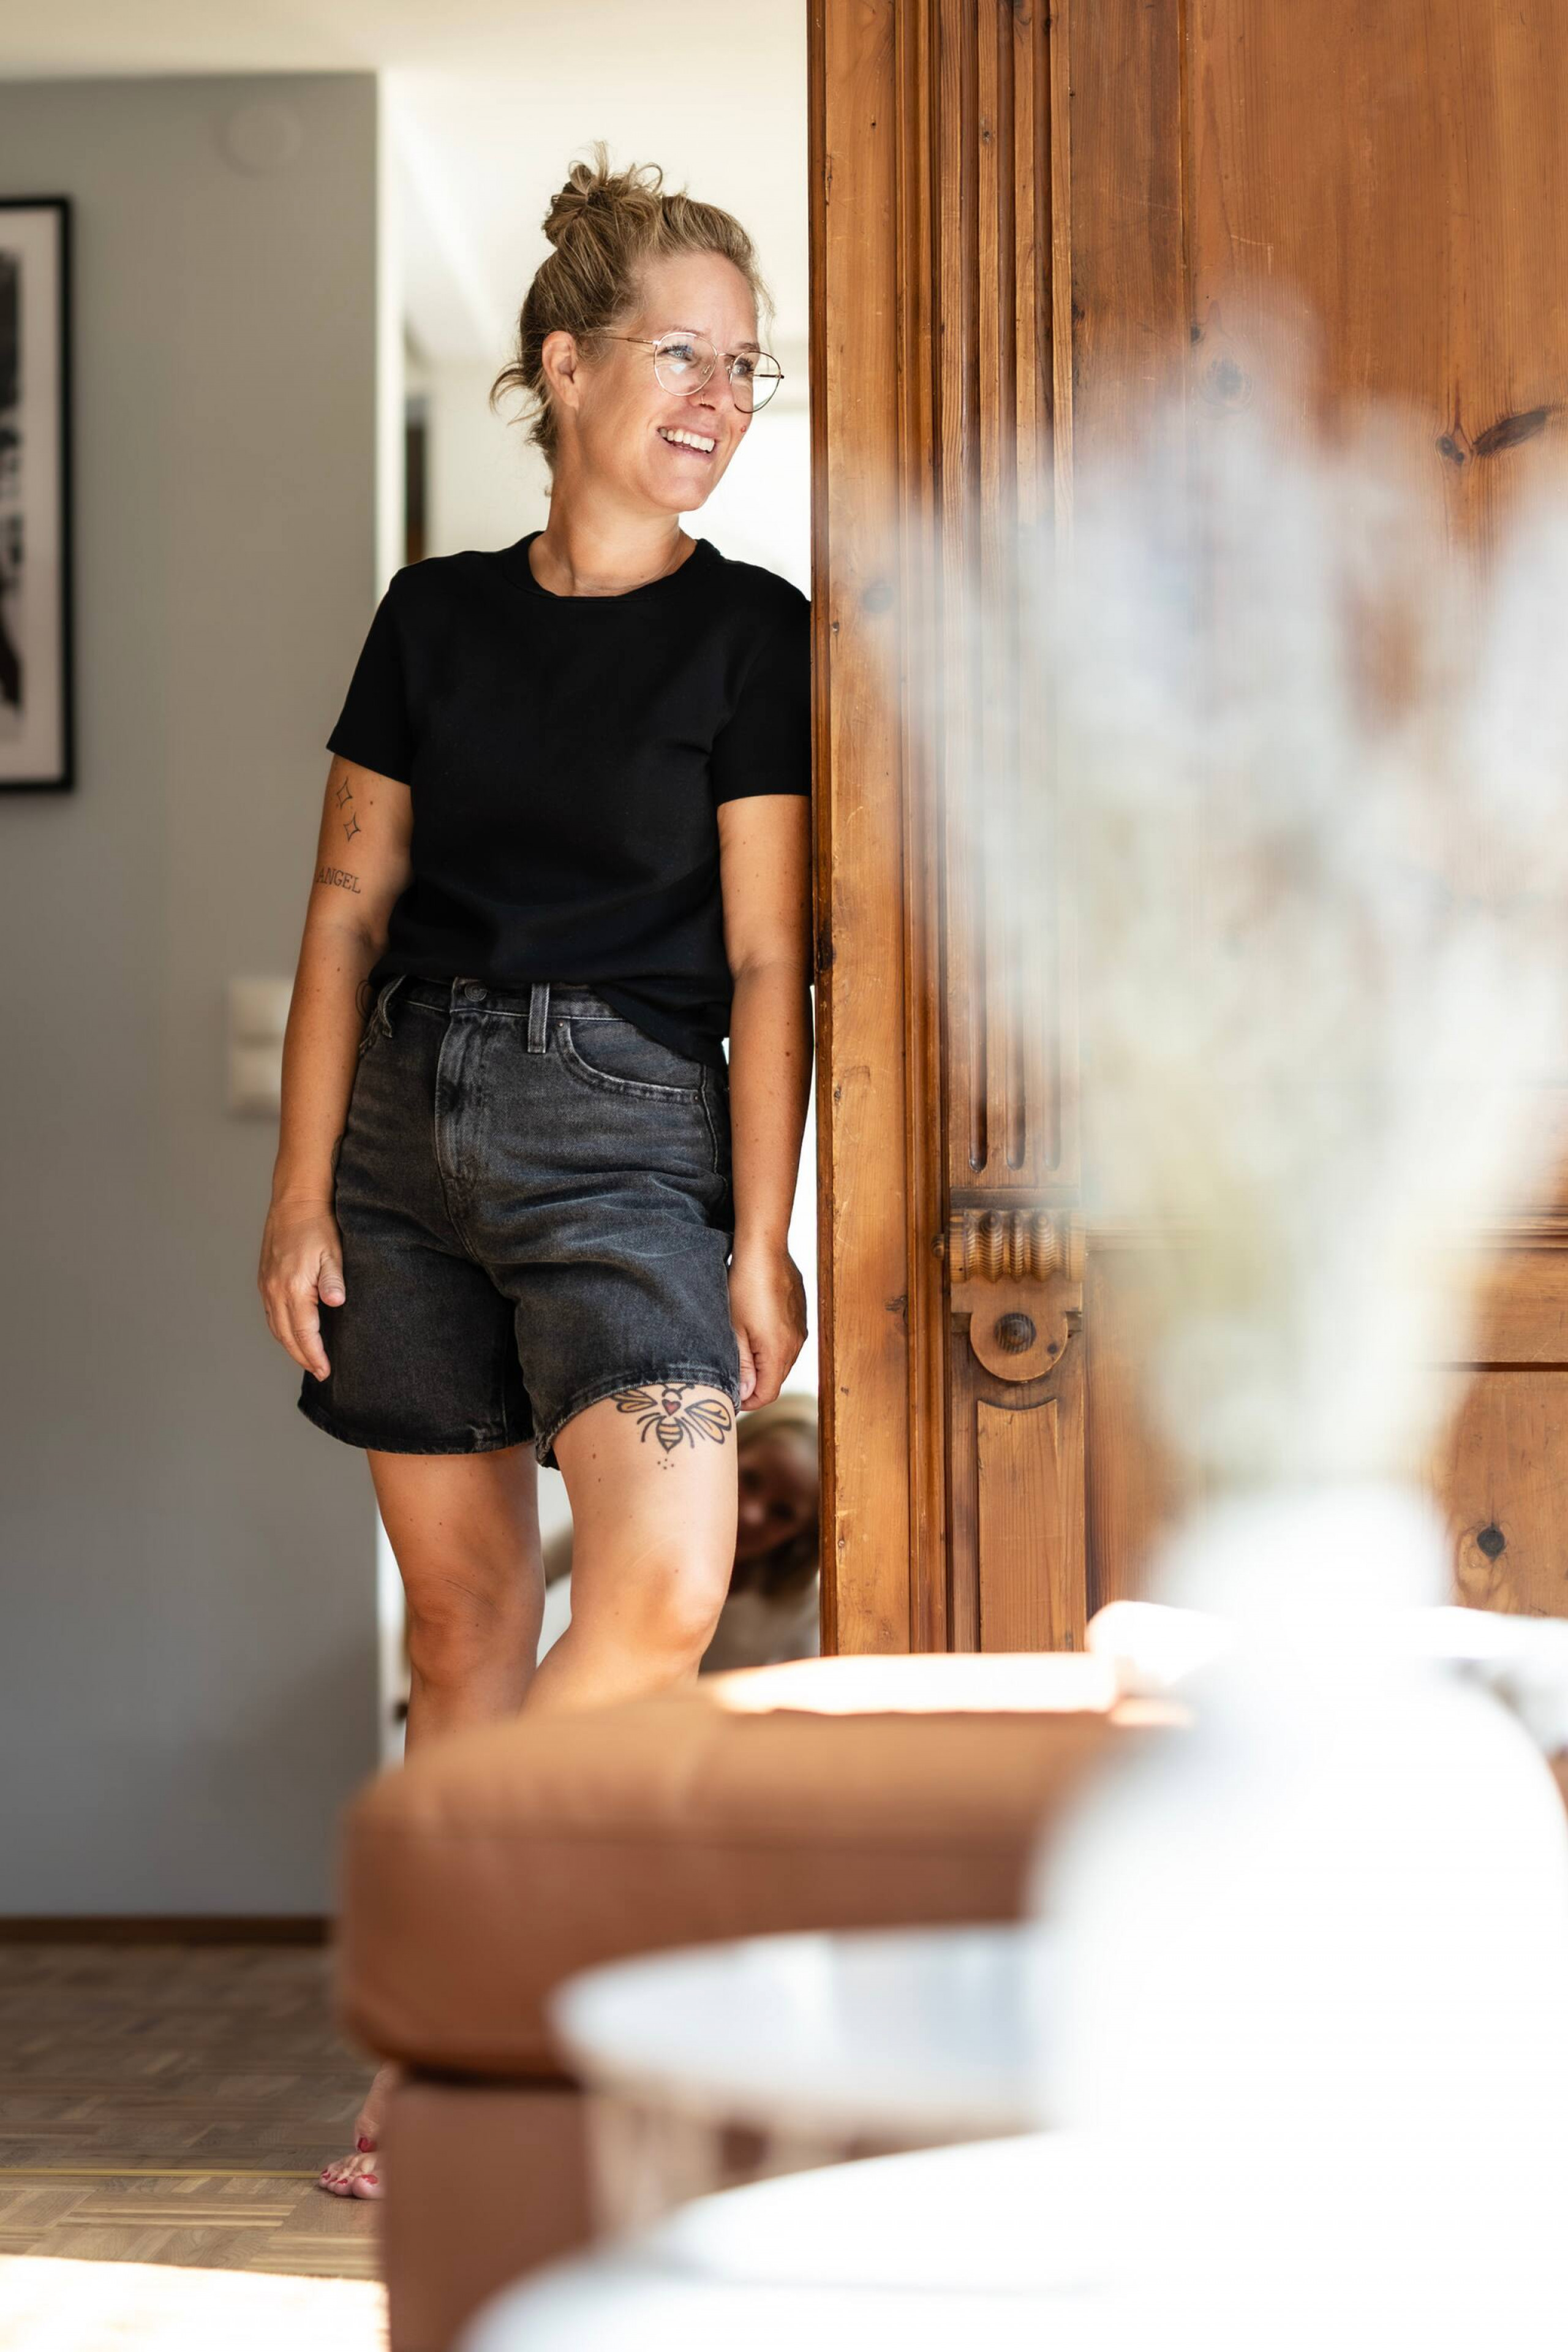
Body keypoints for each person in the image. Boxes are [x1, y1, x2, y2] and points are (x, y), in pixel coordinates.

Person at [255, 146, 812, 2200]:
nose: (722, 397)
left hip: (632, 1140)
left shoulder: (755, 634)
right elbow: (344, 902)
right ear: (564, 367)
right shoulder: (436, 616)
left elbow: (771, 953)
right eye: (684, 353)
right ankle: (448, 2070)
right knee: (467, 1619)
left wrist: (759, 1233)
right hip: (404, 1135)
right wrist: (298, 1189)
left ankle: (482, 1993)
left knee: (659, 1583)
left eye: (748, 367)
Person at [537, 1390, 821, 1673]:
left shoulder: (802, 1605)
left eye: (783, 1513)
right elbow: (540, 1566)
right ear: (725, 1455)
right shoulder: (644, 1513)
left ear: (803, 1534)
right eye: (749, 1479)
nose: (751, 1514)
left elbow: (810, 1687)